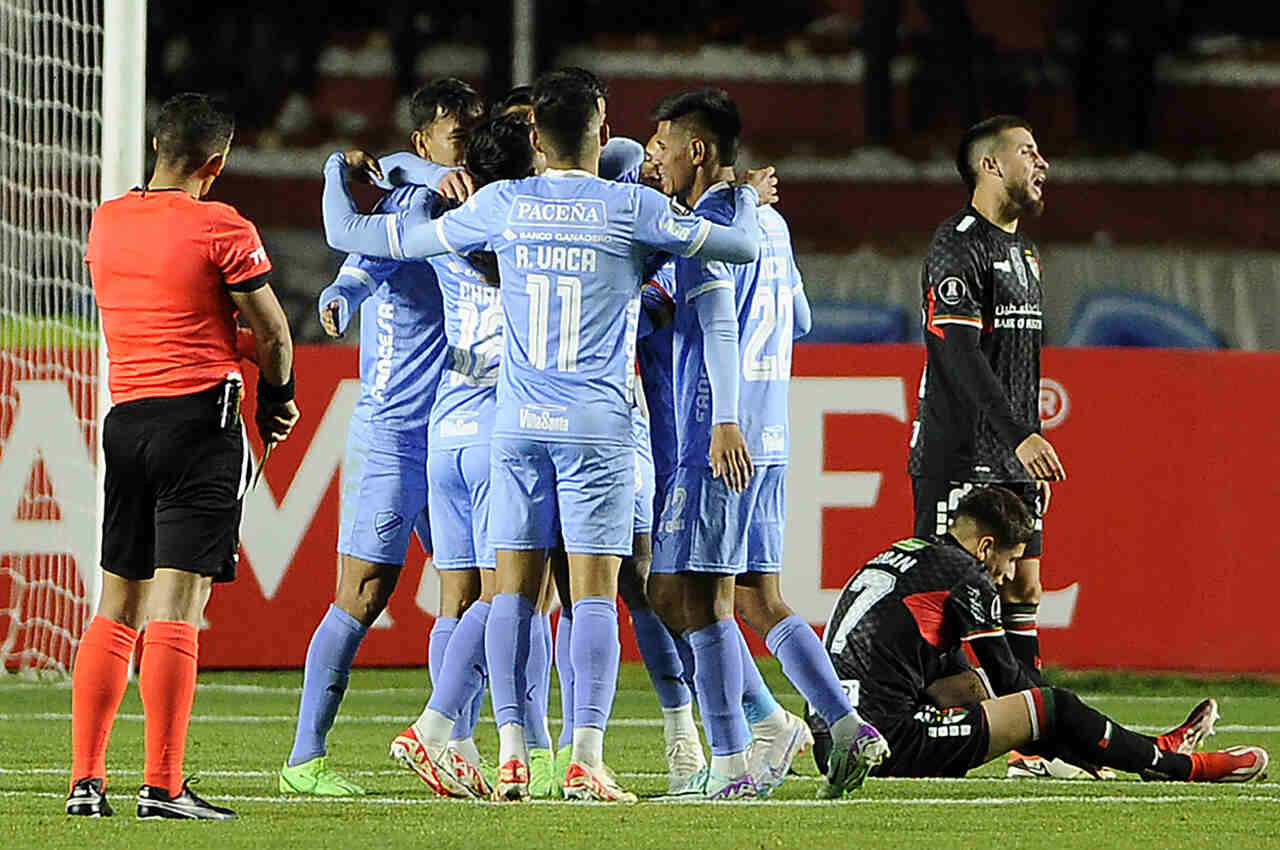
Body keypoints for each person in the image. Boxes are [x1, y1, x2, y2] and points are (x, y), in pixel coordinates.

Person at [320, 71, 775, 802]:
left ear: (535, 137)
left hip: (516, 427)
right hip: (596, 429)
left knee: (509, 597)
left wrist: (353, 173)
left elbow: (356, 235)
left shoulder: (500, 205)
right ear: (600, 128)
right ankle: (584, 758)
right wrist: (745, 194)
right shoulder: (631, 208)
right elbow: (742, 248)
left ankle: (504, 751)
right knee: (595, 597)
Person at [645, 88, 888, 800]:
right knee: (757, 596)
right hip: (771, 435)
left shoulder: (709, 225)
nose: (653, 156)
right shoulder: (769, 225)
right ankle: (845, 724)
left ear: (698, 150)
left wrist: (723, 418)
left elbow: (718, 322)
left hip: (718, 438)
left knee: (695, 598)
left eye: (661, 143)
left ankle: (731, 765)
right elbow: (801, 316)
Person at [70, 93, 298, 820]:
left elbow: (172, 318)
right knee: (180, 602)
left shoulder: (106, 220)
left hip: (126, 420)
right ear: (217, 163)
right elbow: (276, 336)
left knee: (117, 601)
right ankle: (163, 786)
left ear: (157, 146)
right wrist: (275, 398)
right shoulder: (220, 225)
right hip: (198, 423)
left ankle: (86, 782)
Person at [279, 78, 482, 797]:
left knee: (470, 592)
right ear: (425, 141)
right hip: (395, 430)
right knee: (364, 594)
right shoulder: (414, 201)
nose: (472, 147)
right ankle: (305, 758)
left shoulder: (474, 204)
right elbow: (359, 269)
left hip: (455, 423)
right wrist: (338, 300)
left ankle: (455, 744)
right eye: (459, 136)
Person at [807, 486, 1270, 787]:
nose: (1008, 575)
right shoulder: (969, 576)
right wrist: (1075, 738)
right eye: (1009, 559)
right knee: (1053, 705)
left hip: (835, 737)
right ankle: (1178, 765)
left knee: (977, 689)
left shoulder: (910, 554)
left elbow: (966, 686)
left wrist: (1075, 744)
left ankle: (1120, 752)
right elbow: (1016, 685)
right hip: (883, 744)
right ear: (986, 546)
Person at [386, 111, 537, 800]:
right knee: (519, 591)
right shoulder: (527, 224)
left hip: (444, 424)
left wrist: (416, 171)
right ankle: (445, 727)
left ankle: (464, 747)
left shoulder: (447, 224)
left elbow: (347, 229)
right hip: (498, 424)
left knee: (457, 599)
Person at [907, 118, 1063, 779]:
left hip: (1013, 458)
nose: (1042, 162)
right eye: (1028, 151)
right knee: (940, 603)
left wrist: (1029, 445)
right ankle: (886, 718)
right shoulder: (957, 246)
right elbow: (963, 357)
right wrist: (1019, 435)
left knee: (1024, 585)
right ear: (990, 167)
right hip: (962, 454)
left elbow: (1017, 363)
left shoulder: (1024, 254)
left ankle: (1029, 742)